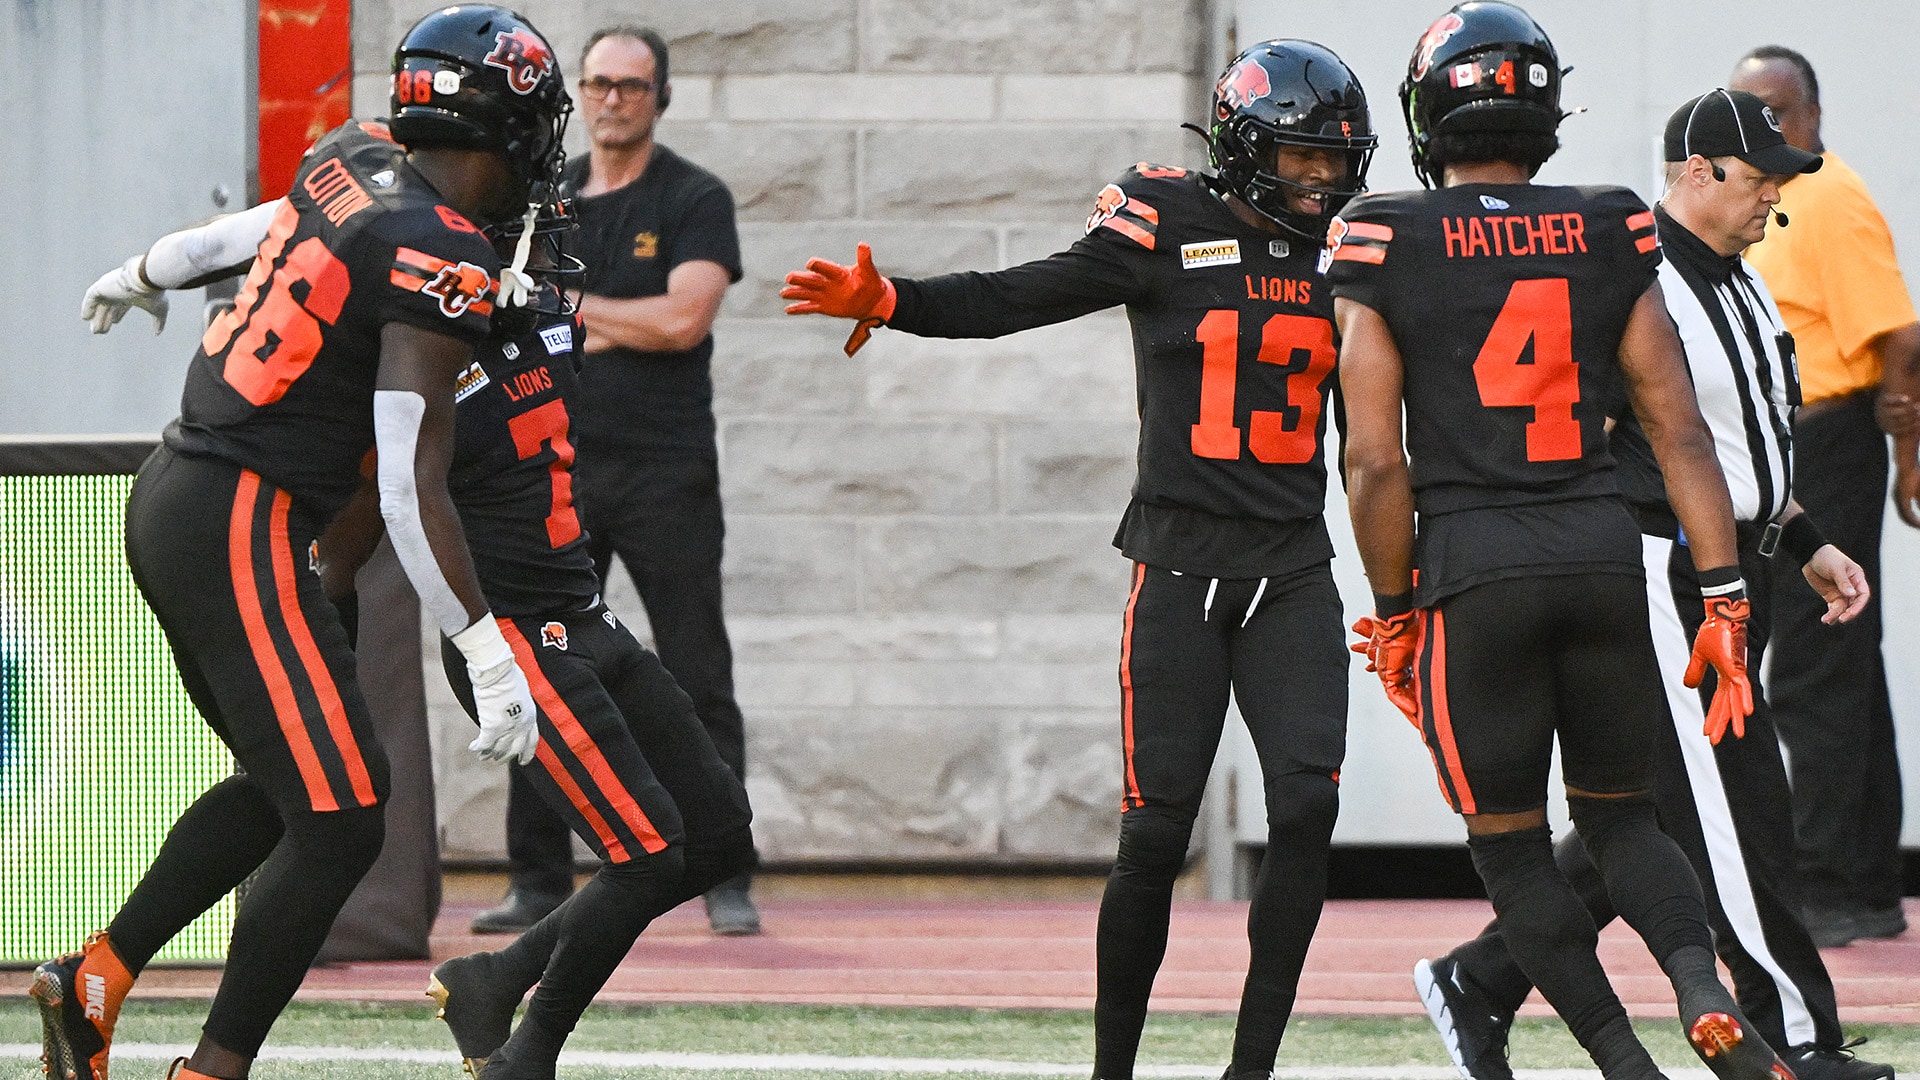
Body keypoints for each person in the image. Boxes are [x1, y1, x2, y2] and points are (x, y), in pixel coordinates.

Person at [783, 39, 1373, 1080]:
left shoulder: (1356, 252)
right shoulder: (1163, 216)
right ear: (1244, 150)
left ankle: (1252, 1070)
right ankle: (1112, 1071)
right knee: (1155, 834)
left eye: (1337, 163)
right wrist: (897, 302)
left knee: (1309, 810)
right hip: (1181, 567)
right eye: (1302, 160)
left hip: (1293, 572)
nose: (1322, 184)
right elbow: (1024, 293)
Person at [89, 197, 758, 1080]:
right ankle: (528, 1050)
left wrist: (159, 264)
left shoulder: (546, 316)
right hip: (516, 634)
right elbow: (380, 498)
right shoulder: (422, 348)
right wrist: (355, 618)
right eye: (531, 232)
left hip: (582, 613)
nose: (555, 257)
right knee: (643, 853)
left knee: (716, 833)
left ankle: (495, 979)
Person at [33, 7, 569, 1079]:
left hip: (185, 490)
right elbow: (413, 481)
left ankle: (97, 977)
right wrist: (486, 649)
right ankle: (212, 1069)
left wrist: (151, 264)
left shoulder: (358, 157)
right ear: (503, 128)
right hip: (243, 515)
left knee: (294, 785)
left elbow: (265, 225)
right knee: (341, 818)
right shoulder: (441, 251)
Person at [1332, 7, 1796, 1080]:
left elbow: (1372, 460)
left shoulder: (1381, 234)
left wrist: (1394, 608)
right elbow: (1675, 425)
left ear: (1428, 112)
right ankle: (1699, 989)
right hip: (1597, 557)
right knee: (1626, 819)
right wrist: (1723, 596)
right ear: (1543, 113)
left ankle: (1620, 1062)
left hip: (1472, 571)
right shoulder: (1609, 223)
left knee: (1509, 845)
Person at [1410, 87, 1890, 1080]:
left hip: (1735, 565)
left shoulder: (1741, 279)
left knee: (1660, 814)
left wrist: (1804, 541)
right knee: (1740, 806)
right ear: (1695, 174)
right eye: (1758, 180)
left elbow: (1737, 445)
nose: (1772, 202)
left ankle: (1483, 979)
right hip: (1665, 567)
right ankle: (1795, 1037)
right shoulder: (1640, 275)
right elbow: (1647, 437)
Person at [474, 22, 758, 938]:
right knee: (542, 657)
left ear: (660, 97)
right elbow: (497, 310)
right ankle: (535, 878)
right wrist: (587, 319)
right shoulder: (542, 200)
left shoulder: (694, 197)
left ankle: (723, 869)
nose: (612, 99)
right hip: (554, 468)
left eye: (632, 85)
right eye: (597, 83)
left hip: (667, 472)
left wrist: (571, 310)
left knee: (695, 664)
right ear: (577, 96)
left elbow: (682, 320)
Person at [1730, 46, 1920, 949]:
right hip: (1794, 441)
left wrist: (1909, 454)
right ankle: (1860, 880)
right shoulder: (1779, 193)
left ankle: (1833, 882)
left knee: (1817, 665)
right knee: (1838, 664)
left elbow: (1902, 338)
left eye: (1766, 111)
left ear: (1804, 113)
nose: (1752, 128)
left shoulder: (1828, 195)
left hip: (1829, 439)